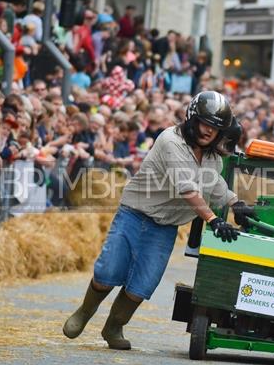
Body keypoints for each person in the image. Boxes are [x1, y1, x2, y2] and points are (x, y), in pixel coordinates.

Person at [63, 90, 258, 350]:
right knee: (107, 273)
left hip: (165, 226)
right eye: (204, 123)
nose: (208, 131)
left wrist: (236, 203)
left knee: (141, 286)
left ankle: (114, 326)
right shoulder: (170, 140)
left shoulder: (212, 156)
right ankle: (85, 312)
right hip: (135, 213)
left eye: (215, 128)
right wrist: (213, 219)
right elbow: (187, 188)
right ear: (192, 117)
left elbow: (213, 183)